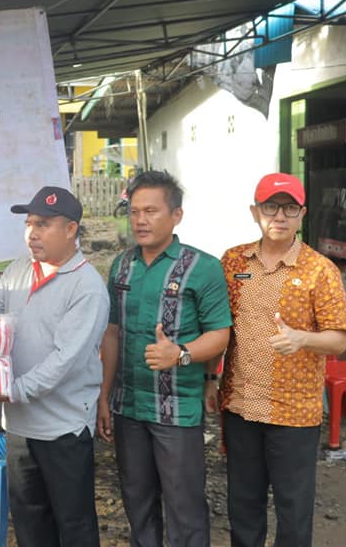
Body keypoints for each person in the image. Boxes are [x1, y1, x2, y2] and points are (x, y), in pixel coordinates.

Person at [0, 185, 110, 547]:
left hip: (63, 428)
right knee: (30, 522)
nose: (32, 233)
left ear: (71, 230)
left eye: (44, 224)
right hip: (19, 427)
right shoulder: (21, 269)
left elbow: (63, 363)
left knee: (74, 525)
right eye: (29, 223)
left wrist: (8, 391)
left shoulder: (87, 288)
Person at [212, 173, 346, 547]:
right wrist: (212, 380)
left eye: (290, 208)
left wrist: (302, 338)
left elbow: (339, 340)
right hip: (241, 406)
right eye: (271, 207)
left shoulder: (319, 270)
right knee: (243, 506)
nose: (280, 216)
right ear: (255, 212)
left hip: (294, 412)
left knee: (293, 510)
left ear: (302, 214)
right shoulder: (232, 261)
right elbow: (218, 327)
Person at [97, 170, 231, 547]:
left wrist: (181, 353)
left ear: (176, 215)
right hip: (128, 407)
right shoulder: (122, 266)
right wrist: (104, 397)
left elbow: (220, 334)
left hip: (175, 410)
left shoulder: (202, 267)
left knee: (184, 506)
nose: (140, 220)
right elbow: (112, 332)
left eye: (151, 211)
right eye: (135, 211)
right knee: (136, 502)